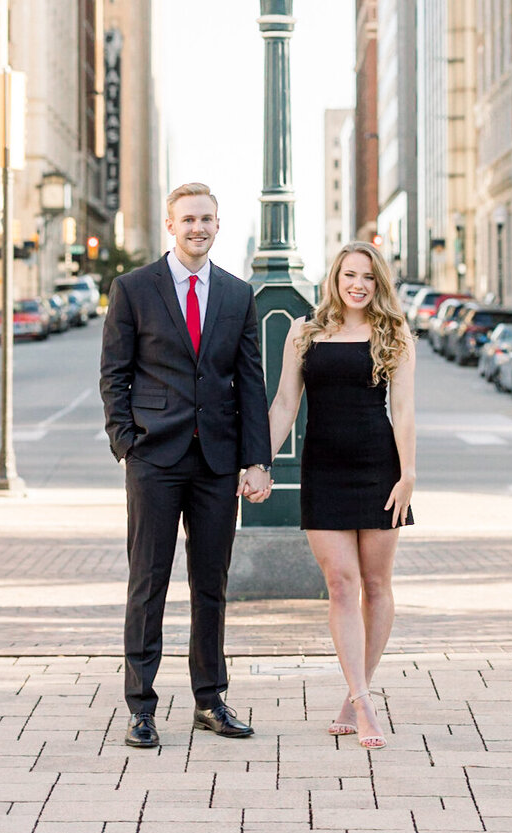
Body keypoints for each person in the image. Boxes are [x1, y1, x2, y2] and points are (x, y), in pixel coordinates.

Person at [100, 182, 273, 749]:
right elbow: (114, 375)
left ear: (217, 225)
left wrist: (255, 460)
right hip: (155, 457)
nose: (198, 227)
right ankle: (141, 708)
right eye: (188, 219)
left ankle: (209, 701)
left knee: (211, 584)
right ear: (170, 225)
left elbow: (250, 382)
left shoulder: (236, 293)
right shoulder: (133, 289)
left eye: (207, 218)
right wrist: (127, 442)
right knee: (147, 582)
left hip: (218, 461)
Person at [267, 240, 416, 751]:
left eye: (368, 277)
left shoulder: (393, 334)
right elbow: (285, 403)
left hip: (380, 469)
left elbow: (405, 409)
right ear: (334, 277)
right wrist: (260, 461)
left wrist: (409, 473)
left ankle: (355, 694)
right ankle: (364, 700)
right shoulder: (304, 332)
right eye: (350, 274)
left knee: (375, 585)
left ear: (379, 284)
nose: (358, 284)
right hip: (324, 468)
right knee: (340, 582)